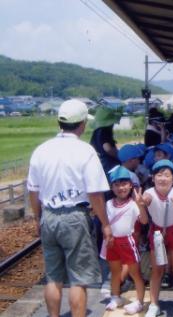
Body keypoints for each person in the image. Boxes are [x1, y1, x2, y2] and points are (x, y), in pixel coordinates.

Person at [27, 99, 112, 317]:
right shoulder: (86, 151)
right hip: (75, 217)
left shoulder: (41, 150)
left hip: (49, 215)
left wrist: (37, 219)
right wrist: (105, 223)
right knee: (78, 278)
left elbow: (33, 191)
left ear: (60, 122)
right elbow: (95, 193)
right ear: (82, 124)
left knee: (53, 276)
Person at [142, 160, 173, 317]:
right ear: (153, 178)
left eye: (167, 175)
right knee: (157, 271)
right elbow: (146, 199)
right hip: (156, 233)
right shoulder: (149, 192)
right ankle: (154, 305)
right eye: (159, 175)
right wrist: (141, 203)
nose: (163, 178)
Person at [104, 166, 148, 314]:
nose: (121, 188)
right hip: (112, 242)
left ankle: (139, 301)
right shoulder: (108, 204)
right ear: (112, 187)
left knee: (135, 273)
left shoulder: (133, 204)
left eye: (124, 184)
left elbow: (143, 221)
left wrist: (141, 206)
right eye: (117, 185)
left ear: (130, 185)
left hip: (127, 242)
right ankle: (116, 296)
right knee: (115, 271)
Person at [90, 106, 123, 174]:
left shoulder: (96, 131)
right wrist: (120, 156)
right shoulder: (105, 130)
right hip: (108, 165)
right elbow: (108, 148)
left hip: (98, 164)